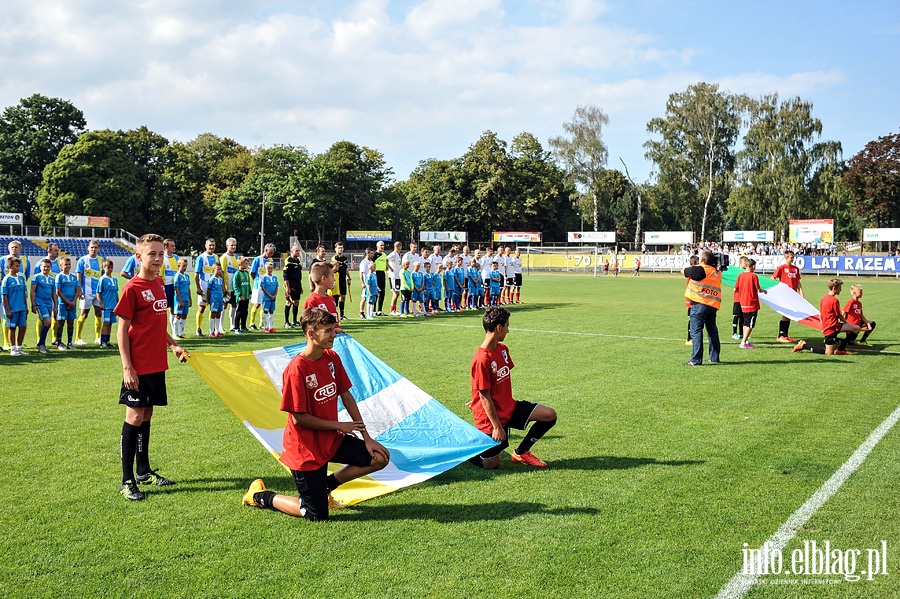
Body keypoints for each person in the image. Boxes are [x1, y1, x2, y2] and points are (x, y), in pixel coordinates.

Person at [242, 307, 390, 521]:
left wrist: (367, 438)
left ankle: (325, 487)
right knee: (314, 515)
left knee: (380, 457)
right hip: (305, 451)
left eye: (334, 328)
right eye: (328, 330)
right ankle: (259, 495)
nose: (334, 334)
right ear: (310, 333)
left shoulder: (331, 357)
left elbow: (347, 396)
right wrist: (340, 426)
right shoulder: (296, 369)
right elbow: (298, 419)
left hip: (331, 440)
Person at [115, 233, 188, 501]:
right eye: (151, 254)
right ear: (139, 257)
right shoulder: (132, 288)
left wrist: (173, 345)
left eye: (160, 254)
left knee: (146, 416)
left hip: (158, 364)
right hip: (138, 366)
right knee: (133, 417)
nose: (157, 259)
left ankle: (144, 471)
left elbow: (157, 325)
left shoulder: (159, 283)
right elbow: (122, 331)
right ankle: (126, 480)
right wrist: (127, 368)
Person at [468, 306, 557, 469]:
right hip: (490, 418)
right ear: (498, 327)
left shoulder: (502, 350)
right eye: (507, 326)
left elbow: (487, 386)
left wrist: (477, 397)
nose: (508, 331)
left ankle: (521, 452)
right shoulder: (481, 359)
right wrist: (496, 426)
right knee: (491, 465)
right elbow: (484, 395)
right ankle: (467, 448)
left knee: (549, 415)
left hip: (509, 407)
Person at [793, 279, 860, 356]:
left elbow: (821, 314)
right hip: (830, 328)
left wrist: (822, 324)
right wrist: (846, 322)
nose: (841, 290)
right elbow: (839, 315)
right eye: (839, 288)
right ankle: (803, 346)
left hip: (835, 326)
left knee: (856, 328)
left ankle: (841, 349)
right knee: (828, 353)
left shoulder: (823, 299)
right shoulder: (834, 301)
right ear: (834, 289)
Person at [682, 250, 724, 366]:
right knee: (712, 331)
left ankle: (696, 359)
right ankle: (714, 357)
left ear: (702, 260)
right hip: (712, 305)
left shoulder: (700, 270)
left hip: (699, 304)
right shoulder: (716, 272)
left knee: (696, 331)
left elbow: (684, 271)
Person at [74, 240, 104, 346]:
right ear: (88, 248)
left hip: (98, 293)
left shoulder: (101, 260)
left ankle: (98, 337)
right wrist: (79, 290)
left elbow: (103, 276)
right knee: (84, 314)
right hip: (86, 292)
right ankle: (78, 338)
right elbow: (79, 276)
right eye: (92, 247)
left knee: (99, 313)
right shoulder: (83, 260)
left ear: (98, 249)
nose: (93, 249)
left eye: (95, 247)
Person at [304, 262, 345, 334]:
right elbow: (310, 328)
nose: (334, 280)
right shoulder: (312, 301)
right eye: (332, 276)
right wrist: (332, 331)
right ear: (324, 279)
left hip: (332, 342)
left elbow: (334, 322)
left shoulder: (331, 299)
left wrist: (336, 329)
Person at [32, 242, 61, 346]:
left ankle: (53, 338)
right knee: (43, 320)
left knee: (55, 317)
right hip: (41, 299)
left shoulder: (58, 263)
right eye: (55, 250)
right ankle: (39, 340)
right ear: (49, 251)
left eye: (58, 250)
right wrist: (34, 302)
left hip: (53, 296)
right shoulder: (40, 263)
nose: (57, 252)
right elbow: (34, 284)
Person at [734, 259, 766, 349]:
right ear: (753, 266)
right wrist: (764, 291)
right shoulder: (753, 276)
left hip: (743, 302)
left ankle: (746, 340)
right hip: (752, 302)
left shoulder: (740, 276)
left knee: (745, 322)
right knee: (751, 324)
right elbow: (758, 289)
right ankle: (743, 342)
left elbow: (736, 288)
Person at [773, 250, 803, 342]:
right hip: (785, 295)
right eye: (791, 257)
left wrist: (801, 292)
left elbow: (798, 282)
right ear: (786, 258)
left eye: (793, 257)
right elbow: (773, 278)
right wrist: (778, 288)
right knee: (785, 314)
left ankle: (785, 335)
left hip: (793, 295)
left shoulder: (796, 269)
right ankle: (780, 336)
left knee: (789, 315)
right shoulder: (781, 268)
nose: (793, 259)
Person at [30, 258, 57, 354]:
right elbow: (32, 291)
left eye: (48, 266)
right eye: (44, 266)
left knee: (46, 324)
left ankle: (42, 344)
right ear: (40, 267)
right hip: (40, 303)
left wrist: (55, 306)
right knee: (48, 322)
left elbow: (54, 294)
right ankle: (40, 344)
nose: (46, 268)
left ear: (51, 268)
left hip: (49, 304)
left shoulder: (52, 279)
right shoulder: (36, 277)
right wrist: (33, 304)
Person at [1, 257, 28, 356]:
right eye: (16, 266)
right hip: (12, 308)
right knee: (12, 328)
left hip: (22, 307)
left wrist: (26, 306)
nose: (18, 268)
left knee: (23, 327)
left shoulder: (21, 278)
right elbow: (5, 296)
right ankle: (12, 349)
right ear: (9, 267)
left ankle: (19, 348)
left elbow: (24, 293)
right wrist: (7, 309)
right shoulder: (6, 280)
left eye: (19, 266)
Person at [54, 256, 80, 350]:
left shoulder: (74, 276)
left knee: (70, 322)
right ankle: (59, 343)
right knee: (60, 323)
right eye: (65, 264)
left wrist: (73, 302)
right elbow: (58, 292)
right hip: (62, 304)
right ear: (61, 265)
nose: (68, 266)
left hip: (72, 303)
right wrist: (68, 302)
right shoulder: (59, 276)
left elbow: (77, 290)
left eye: (69, 264)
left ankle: (70, 342)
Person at [194, 238, 218, 336]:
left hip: (214, 286)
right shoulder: (201, 257)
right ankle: (198, 328)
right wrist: (198, 287)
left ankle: (211, 330)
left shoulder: (216, 257)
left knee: (214, 308)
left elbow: (218, 271)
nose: (212, 247)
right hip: (204, 284)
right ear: (205, 246)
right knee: (202, 307)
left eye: (213, 245)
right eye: (210, 245)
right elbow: (196, 274)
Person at [250, 243, 275, 330]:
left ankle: (262, 323)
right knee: (257, 304)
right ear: (265, 250)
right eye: (270, 252)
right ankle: (252, 323)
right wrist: (257, 281)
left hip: (267, 286)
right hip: (258, 286)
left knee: (265, 305)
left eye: (272, 253)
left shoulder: (270, 260)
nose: (271, 254)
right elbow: (252, 272)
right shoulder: (257, 259)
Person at [96, 259, 120, 349]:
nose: (109, 269)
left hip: (113, 306)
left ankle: (108, 341)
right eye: (107, 267)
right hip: (106, 306)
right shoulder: (102, 279)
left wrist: (118, 304)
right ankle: (103, 342)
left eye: (111, 267)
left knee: (110, 323)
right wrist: (101, 303)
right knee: (105, 323)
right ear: (103, 268)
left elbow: (116, 293)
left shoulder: (115, 279)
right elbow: (98, 292)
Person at [219, 238, 240, 332]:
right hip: (226, 286)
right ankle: (220, 326)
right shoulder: (224, 257)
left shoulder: (236, 257)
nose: (234, 247)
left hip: (234, 287)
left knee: (234, 305)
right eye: (232, 245)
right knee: (224, 305)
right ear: (227, 246)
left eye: (235, 245)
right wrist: (223, 286)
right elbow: (222, 272)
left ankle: (232, 325)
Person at [283, 244, 304, 328]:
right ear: (291, 252)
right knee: (289, 302)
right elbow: (285, 275)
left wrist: (301, 286)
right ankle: (286, 322)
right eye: (296, 251)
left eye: (299, 251)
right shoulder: (288, 260)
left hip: (297, 284)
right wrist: (287, 287)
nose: (298, 252)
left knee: (296, 302)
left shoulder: (297, 261)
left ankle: (294, 321)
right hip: (290, 284)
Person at [731, 256, 751, 340]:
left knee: (743, 316)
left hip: (744, 298)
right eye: (744, 262)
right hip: (737, 298)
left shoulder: (747, 273)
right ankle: (734, 333)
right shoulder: (738, 273)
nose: (745, 263)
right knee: (736, 316)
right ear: (740, 263)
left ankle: (742, 333)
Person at [331, 242, 352, 321]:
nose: (340, 249)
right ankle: (333, 314)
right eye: (339, 248)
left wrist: (349, 277)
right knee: (335, 298)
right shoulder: (334, 259)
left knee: (343, 297)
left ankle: (342, 315)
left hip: (343, 279)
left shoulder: (345, 259)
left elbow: (345, 269)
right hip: (336, 280)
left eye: (341, 248)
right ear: (335, 249)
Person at [172, 258, 192, 339]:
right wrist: (180, 300)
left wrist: (190, 299)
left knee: (184, 315)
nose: (185, 267)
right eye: (183, 266)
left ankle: (181, 332)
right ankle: (174, 333)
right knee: (178, 315)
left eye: (186, 266)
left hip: (186, 298)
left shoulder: (187, 276)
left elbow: (188, 288)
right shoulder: (177, 276)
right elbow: (176, 289)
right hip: (179, 299)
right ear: (178, 266)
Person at [231, 257, 252, 334]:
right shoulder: (237, 274)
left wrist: (250, 292)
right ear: (240, 263)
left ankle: (243, 327)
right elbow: (235, 286)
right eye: (246, 263)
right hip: (241, 297)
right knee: (239, 312)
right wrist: (239, 295)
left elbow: (248, 284)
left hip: (246, 296)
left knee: (245, 312)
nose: (247, 265)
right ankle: (236, 327)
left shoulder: (246, 273)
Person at [163, 239, 180, 330]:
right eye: (172, 246)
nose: (174, 247)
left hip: (175, 286)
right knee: (164, 308)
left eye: (174, 245)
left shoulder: (177, 258)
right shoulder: (162, 258)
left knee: (174, 308)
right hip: (166, 286)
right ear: (166, 247)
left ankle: (174, 330)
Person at [206, 263, 226, 337]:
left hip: (220, 299)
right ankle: (211, 331)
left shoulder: (220, 279)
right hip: (214, 300)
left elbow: (222, 288)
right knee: (213, 314)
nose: (219, 271)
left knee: (218, 314)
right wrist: (208, 300)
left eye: (220, 269)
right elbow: (208, 290)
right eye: (218, 269)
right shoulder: (211, 279)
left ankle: (217, 331)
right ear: (213, 270)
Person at [260, 261, 279, 333]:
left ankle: (271, 327)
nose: (270, 270)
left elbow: (277, 287)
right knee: (265, 312)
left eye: (271, 268)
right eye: (268, 268)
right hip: (266, 298)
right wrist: (270, 295)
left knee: (272, 312)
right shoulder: (264, 277)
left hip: (273, 298)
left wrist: (275, 295)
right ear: (265, 269)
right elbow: (263, 287)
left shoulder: (275, 277)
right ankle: (265, 327)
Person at [683, 255, 699, 345]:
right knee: (692, 319)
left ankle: (692, 338)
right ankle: (689, 338)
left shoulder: (693, 271)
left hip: (694, 297)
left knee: (694, 319)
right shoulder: (692, 271)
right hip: (691, 298)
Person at [373, 240, 389, 315]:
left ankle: (379, 310)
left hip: (382, 273)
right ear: (377, 246)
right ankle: (373, 310)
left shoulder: (384, 255)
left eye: (383, 245)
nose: (382, 247)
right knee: (376, 292)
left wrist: (390, 268)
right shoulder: (374, 255)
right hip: (376, 273)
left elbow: (386, 263)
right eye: (381, 245)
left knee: (382, 292)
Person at [357, 247, 374, 319]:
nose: (373, 255)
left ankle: (369, 313)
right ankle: (361, 312)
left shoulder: (371, 262)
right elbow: (361, 273)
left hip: (371, 282)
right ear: (367, 253)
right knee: (364, 297)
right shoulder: (364, 262)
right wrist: (362, 283)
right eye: (371, 253)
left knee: (369, 297)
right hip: (366, 283)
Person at [386, 241, 402, 315]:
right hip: (394, 276)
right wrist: (390, 268)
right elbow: (386, 259)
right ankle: (392, 310)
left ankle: (394, 309)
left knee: (397, 293)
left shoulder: (397, 255)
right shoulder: (393, 254)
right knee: (396, 293)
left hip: (398, 276)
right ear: (399, 247)